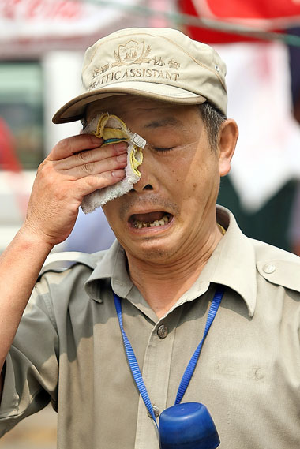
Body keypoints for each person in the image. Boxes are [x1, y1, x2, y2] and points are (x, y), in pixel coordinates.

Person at [0, 28, 299, 449]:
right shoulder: (61, 304)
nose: (139, 179)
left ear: (224, 147)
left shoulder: (291, 308)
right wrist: (34, 235)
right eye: (114, 151)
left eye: (163, 144)